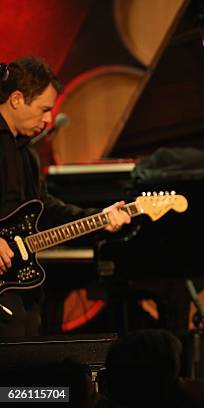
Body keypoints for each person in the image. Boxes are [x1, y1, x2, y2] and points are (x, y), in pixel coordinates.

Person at [0, 56, 130, 337]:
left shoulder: (26, 154)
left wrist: (98, 219)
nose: (48, 120)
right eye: (44, 109)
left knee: (26, 370)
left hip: (20, 289)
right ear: (17, 99)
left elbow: (45, 209)